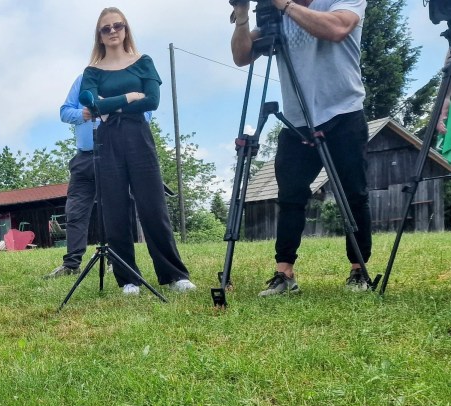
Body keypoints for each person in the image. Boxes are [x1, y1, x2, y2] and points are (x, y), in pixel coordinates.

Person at [230, 0, 373, 296]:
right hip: (297, 119)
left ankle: (358, 270)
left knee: (353, 192)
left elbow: (337, 28)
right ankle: (284, 273)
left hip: (343, 112)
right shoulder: (276, 14)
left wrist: (284, 4)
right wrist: (243, 16)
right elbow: (241, 56)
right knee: (290, 196)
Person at [80, 8, 195, 296]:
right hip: (107, 140)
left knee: (153, 206)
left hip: (138, 136)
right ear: (100, 36)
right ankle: (128, 279)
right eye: (106, 28)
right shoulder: (92, 71)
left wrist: (111, 104)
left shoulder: (143, 62)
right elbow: (90, 106)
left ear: (126, 29)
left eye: (118, 25)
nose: (113, 31)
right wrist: (130, 97)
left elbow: (153, 101)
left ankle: (173, 275)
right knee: (115, 209)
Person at [47, 74, 153, 279]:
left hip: (114, 154)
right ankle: (71, 264)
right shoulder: (82, 80)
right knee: (75, 210)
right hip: (84, 157)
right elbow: (65, 112)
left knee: (117, 209)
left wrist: (115, 112)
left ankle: (118, 260)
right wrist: (85, 114)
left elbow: (146, 115)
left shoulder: (127, 79)